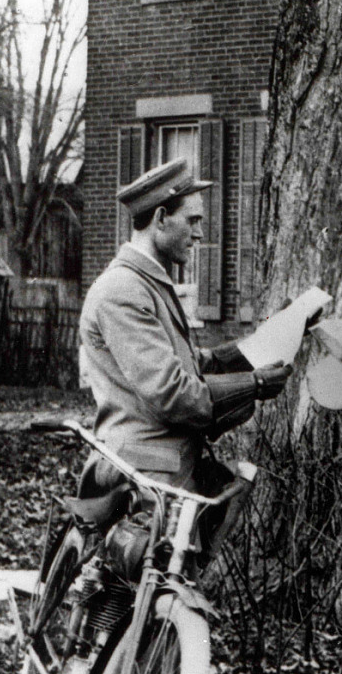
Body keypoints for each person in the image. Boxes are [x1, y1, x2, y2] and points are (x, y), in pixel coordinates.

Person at [79, 157, 291, 499]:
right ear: (161, 219)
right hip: (144, 480)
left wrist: (271, 338)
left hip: (162, 470)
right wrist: (255, 385)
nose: (200, 233)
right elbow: (172, 394)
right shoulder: (122, 290)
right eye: (192, 220)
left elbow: (196, 364)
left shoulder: (146, 283)